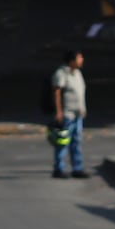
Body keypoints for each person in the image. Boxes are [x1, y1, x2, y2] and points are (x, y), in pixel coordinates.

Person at [49, 47, 88, 179]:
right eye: (79, 58)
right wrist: (59, 111)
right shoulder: (61, 73)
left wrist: (83, 109)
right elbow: (57, 93)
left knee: (76, 141)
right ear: (71, 61)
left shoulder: (77, 73)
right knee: (63, 142)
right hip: (67, 113)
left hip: (78, 114)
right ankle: (59, 168)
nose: (81, 60)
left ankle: (77, 168)